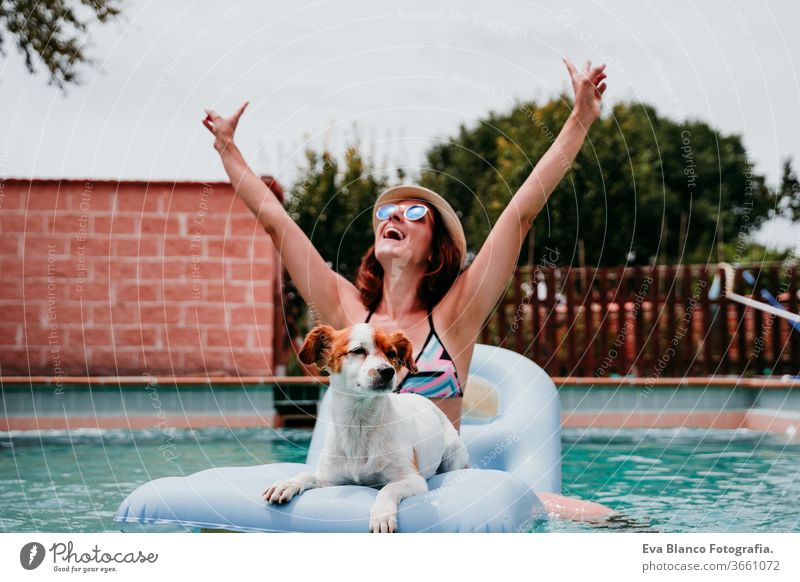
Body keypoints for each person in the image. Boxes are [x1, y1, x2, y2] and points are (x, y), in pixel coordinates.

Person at [203, 58, 612, 521]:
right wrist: (227, 149)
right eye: (387, 213)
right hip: (352, 491)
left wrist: (579, 120)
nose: (394, 216)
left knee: (596, 519)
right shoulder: (347, 310)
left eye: (415, 213)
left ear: (435, 248)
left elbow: (520, 216)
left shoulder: (455, 315)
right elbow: (278, 225)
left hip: (440, 496)